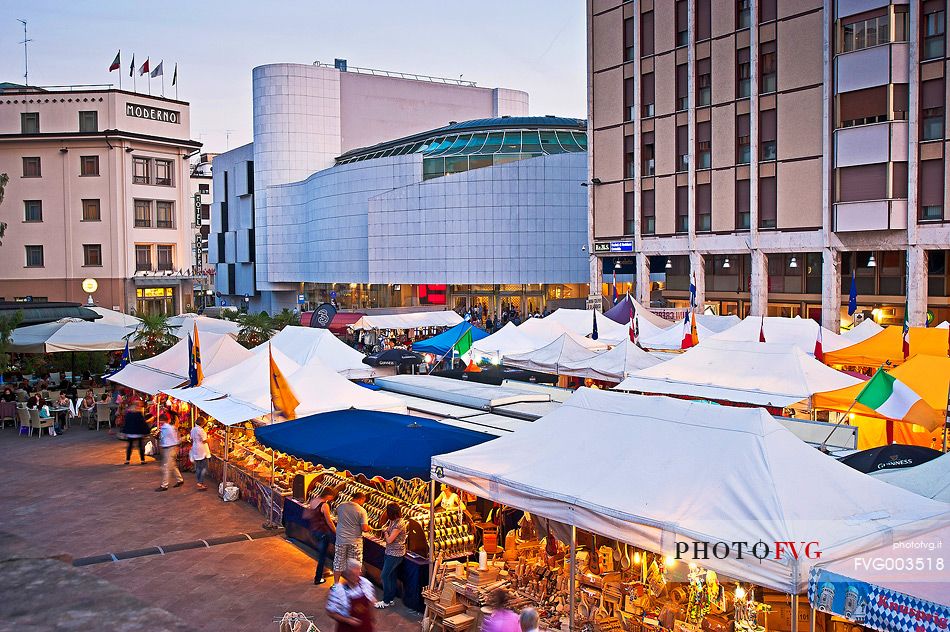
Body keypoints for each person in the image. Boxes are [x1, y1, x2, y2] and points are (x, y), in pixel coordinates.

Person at [326, 559, 376, 632]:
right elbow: (330, 613)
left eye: (358, 573)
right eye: (353, 575)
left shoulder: (365, 584)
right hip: (347, 629)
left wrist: (372, 618)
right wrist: (348, 620)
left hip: (365, 627)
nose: (357, 577)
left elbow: (371, 602)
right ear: (346, 575)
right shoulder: (339, 591)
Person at [333, 491, 371, 582]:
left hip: (341, 540)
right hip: (355, 542)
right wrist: (370, 528)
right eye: (363, 501)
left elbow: (335, 514)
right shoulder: (362, 511)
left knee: (338, 562)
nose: (363, 503)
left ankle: (336, 584)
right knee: (355, 564)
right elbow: (364, 528)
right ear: (361, 499)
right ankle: (352, 585)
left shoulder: (341, 505)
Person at [375, 503, 407, 609]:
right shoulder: (394, 521)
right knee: (392, 576)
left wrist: (385, 532)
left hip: (395, 554)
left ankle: (386, 600)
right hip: (390, 552)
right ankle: (391, 598)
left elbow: (389, 540)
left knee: (384, 575)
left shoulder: (399, 524)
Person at [305, 489, 337, 584]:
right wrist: (335, 531)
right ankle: (318, 578)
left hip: (314, 530)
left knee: (321, 553)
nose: (332, 499)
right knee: (322, 555)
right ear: (328, 495)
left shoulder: (314, 500)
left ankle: (324, 570)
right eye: (332, 497)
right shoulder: (325, 505)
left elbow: (308, 514)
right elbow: (329, 521)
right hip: (323, 532)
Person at [156, 413, 184, 491]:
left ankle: (164, 485)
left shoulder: (169, 428)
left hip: (170, 448)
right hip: (169, 448)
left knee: (167, 467)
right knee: (172, 465)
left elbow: (175, 439)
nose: (160, 422)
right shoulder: (167, 428)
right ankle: (180, 480)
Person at [122, 399, 150, 465]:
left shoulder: (129, 414)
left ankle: (127, 460)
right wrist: (146, 431)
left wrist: (124, 432)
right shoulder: (139, 414)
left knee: (129, 447)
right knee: (140, 446)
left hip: (130, 433)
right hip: (138, 432)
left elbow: (126, 423)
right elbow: (143, 424)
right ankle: (142, 460)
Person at [189, 421, 212, 490]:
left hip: (195, 448)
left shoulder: (193, 429)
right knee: (205, 467)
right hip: (202, 449)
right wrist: (209, 439)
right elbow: (204, 440)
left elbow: (191, 439)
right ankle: (200, 482)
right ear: (202, 423)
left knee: (198, 467)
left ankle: (199, 482)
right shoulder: (201, 430)